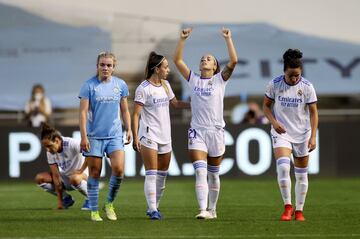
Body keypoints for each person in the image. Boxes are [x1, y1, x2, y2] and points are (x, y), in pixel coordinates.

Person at [173, 28, 238, 219]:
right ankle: (202, 210)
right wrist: (182, 39)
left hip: (216, 132)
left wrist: (228, 39)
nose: (204, 59)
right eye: (203, 58)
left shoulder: (220, 80)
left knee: (213, 174)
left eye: (209, 58)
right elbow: (178, 61)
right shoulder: (193, 80)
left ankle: (212, 209)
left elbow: (233, 61)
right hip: (197, 131)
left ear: (215, 65)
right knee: (200, 172)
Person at [132, 51, 190, 220]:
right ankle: (151, 209)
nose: (168, 70)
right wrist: (135, 136)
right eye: (165, 67)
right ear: (156, 69)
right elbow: (136, 114)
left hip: (166, 135)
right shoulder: (143, 89)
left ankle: (155, 206)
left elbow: (176, 104)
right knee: (151, 172)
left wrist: (196, 104)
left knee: (162, 175)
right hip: (149, 134)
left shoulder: (165, 85)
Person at [263, 49, 318, 221]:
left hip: (302, 133)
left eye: (297, 75)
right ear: (284, 72)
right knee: (284, 167)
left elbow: (314, 113)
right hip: (282, 133)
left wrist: (313, 136)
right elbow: (265, 106)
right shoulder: (274, 84)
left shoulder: (307, 87)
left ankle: (299, 210)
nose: (294, 79)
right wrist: (274, 122)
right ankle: (288, 207)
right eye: (291, 75)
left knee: (301, 174)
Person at [79, 52, 132, 222]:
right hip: (94, 136)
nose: (105, 68)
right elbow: (82, 113)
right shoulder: (88, 86)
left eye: (109, 65)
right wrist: (84, 136)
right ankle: (94, 211)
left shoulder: (121, 85)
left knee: (119, 170)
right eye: (102, 65)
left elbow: (124, 110)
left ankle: (109, 204)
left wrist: (129, 129)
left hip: (115, 135)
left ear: (113, 67)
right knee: (94, 173)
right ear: (97, 66)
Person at [35, 123, 89, 210]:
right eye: (45, 147)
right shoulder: (50, 152)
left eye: (49, 146)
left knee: (74, 178)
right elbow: (56, 176)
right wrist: (60, 202)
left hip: (85, 176)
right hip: (69, 178)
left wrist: (81, 170)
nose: (47, 150)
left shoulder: (72, 143)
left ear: (57, 141)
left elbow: (90, 154)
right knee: (40, 178)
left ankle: (90, 199)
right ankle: (66, 199)